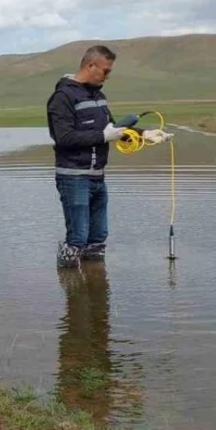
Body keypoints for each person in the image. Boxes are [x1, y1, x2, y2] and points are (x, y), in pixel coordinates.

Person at [45, 45, 172, 268]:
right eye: (105, 70)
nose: (108, 76)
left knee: (98, 237)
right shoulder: (62, 98)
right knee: (77, 238)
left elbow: (113, 130)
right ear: (90, 66)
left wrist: (145, 134)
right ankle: (71, 291)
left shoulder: (99, 96)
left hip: (97, 177)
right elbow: (64, 138)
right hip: (73, 177)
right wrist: (103, 136)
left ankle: (96, 292)